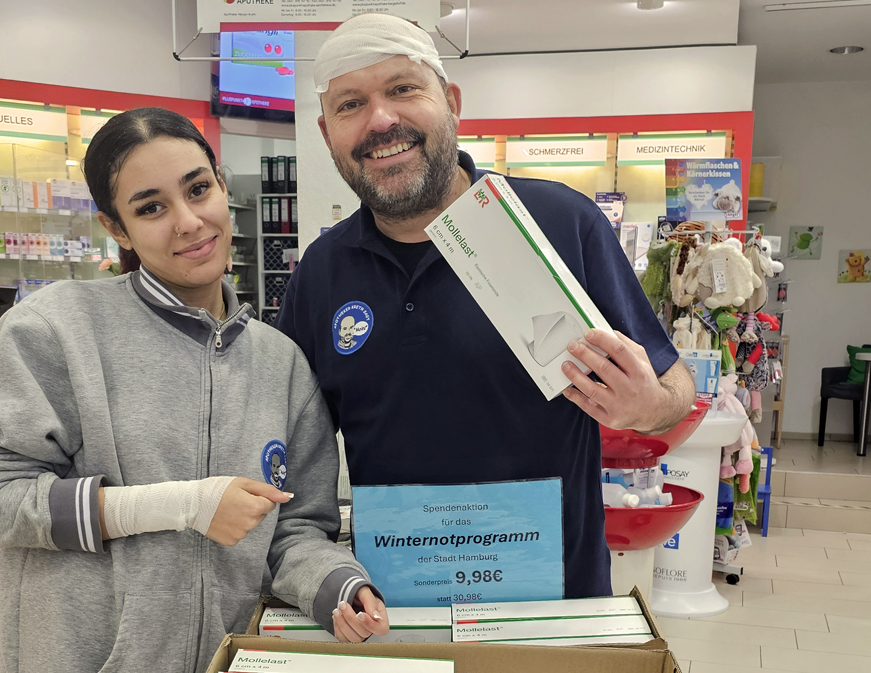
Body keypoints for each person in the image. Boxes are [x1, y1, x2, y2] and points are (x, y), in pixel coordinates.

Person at [0, 107, 388, 673]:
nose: (188, 222)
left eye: (198, 189)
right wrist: (178, 504)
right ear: (119, 228)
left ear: (222, 188)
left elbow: (299, 526)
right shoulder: (59, 330)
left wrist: (337, 587)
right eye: (151, 207)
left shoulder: (280, 363)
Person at [277, 14, 696, 600]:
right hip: (396, 608)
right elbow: (296, 450)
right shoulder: (321, 274)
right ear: (327, 134)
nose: (381, 120)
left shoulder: (561, 224)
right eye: (351, 104)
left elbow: (675, 390)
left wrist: (648, 405)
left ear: (450, 102)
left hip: (555, 606)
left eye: (403, 89)